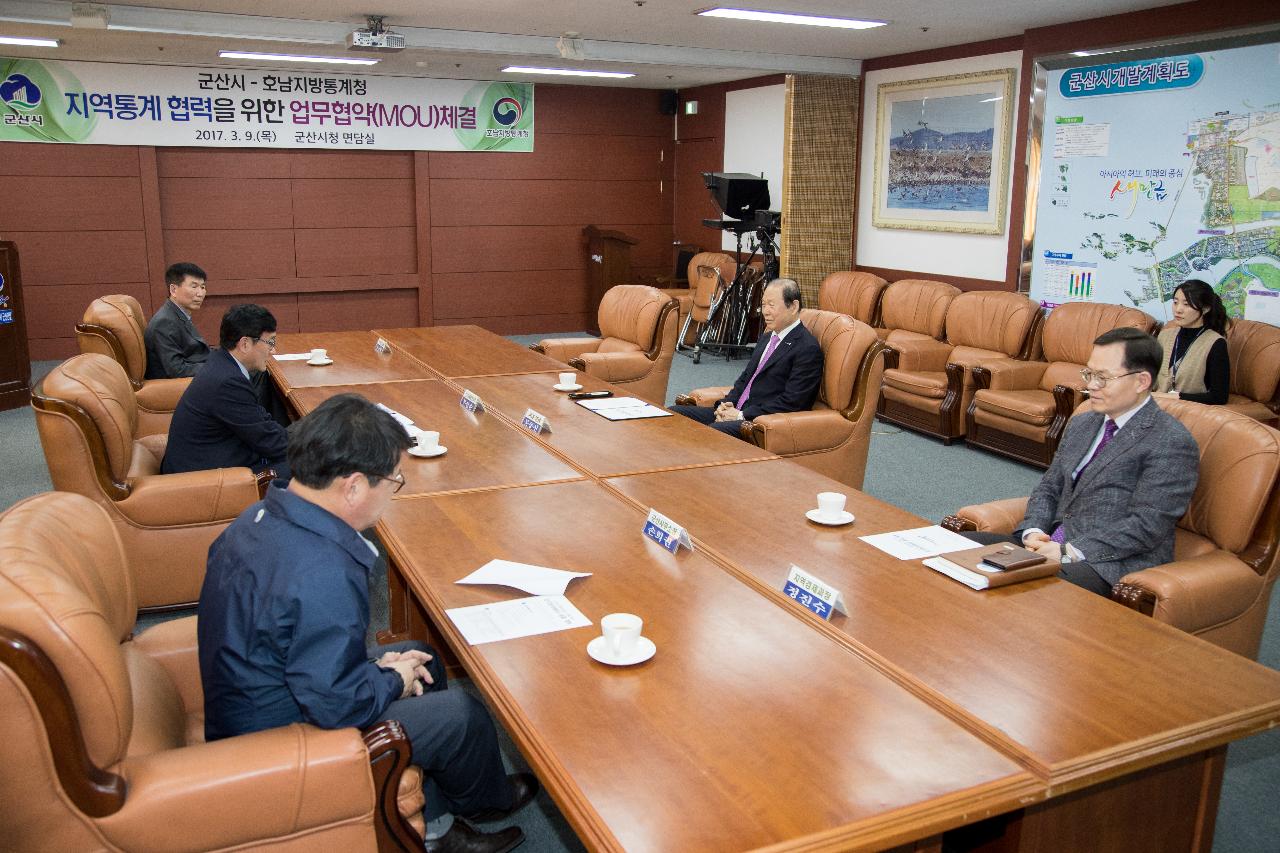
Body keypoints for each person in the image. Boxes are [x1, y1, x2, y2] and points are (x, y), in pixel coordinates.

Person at [198, 393, 536, 853]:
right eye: (393, 480)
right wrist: (388, 680)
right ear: (353, 486)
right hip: (281, 734)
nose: (393, 491)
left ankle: (437, 822)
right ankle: (481, 803)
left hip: (262, 690)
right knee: (463, 715)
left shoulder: (258, 517)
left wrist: (380, 669)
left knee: (425, 657)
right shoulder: (322, 569)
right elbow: (335, 705)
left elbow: (297, 640)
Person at [963, 327, 1200, 595]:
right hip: (1046, 544)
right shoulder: (1084, 422)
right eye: (1089, 374)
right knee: (951, 549)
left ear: (1141, 381)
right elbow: (1049, 487)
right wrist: (1033, 530)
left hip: (1106, 562)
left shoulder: (1170, 440)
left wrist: (1068, 551)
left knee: (1018, 593)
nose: (1091, 386)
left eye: (1103, 377)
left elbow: (1147, 525)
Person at [671, 278, 823, 437]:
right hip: (737, 411)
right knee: (675, 414)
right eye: (763, 305)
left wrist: (740, 415)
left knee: (710, 433)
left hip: (758, 423)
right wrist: (724, 406)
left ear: (793, 306)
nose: (765, 311)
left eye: (771, 305)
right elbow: (745, 380)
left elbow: (792, 402)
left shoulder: (807, 348)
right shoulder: (767, 338)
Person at [161, 304, 290, 479]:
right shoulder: (228, 381)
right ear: (245, 344)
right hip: (204, 477)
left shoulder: (222, 362)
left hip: (213, 456)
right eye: (270, 342)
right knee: (316, 465)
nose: (273, 350)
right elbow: (269, 441)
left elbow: (259, 423)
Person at [1153, 278, 1231, 404]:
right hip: (1157, 406)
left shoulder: (1215, 343)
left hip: (1188, 411)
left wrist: (1176, 397)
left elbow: (1219, 397)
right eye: (1175, 302)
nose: (1178, 309)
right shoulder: (1164, 336)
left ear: (1205, 309)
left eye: (1186, 304)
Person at [144, 261, 210, 379]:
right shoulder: (164, 322)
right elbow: (177, 370)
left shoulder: (177, 314)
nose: (200, 293)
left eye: (203, 287)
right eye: (194, 286)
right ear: (173, 289)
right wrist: (217, 365)